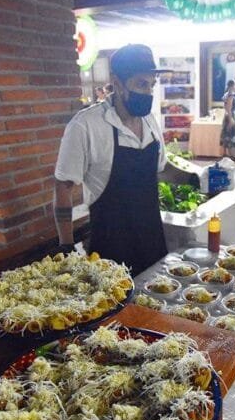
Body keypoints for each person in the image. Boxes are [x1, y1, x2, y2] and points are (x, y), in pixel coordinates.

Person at [53, 44, 167, 275]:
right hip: (111, 251)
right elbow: (63, 187)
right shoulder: (86, 125)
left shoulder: (149, 121)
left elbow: (161, 167)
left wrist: (197, 179)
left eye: (151, 85)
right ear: (116, 82)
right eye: (140, 84)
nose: (148, 92)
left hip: (153, 239)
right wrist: (66, 247)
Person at [220, 79, 235, 158]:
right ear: (232, 86)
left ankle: (224, 153)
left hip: (226, 115)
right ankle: (231, 154)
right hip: (230, 115)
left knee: (225, 134)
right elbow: (229, 107)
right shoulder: (231, 95)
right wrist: (231, 119)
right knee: (230, 134)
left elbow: (226, 107)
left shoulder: (226, 94)